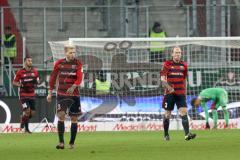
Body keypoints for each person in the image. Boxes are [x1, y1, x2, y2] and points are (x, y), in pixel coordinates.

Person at [47, 44, 83, 149]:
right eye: (70, 52)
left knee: (74, 118)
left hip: (74, 95)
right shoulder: (59, 63)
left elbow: (79, 78)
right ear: (65, 53)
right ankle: (61, 142)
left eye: (74, 52)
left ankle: (71, 143)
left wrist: (74, 86)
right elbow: (53, 78)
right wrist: (49, 92)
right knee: (61, 115)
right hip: (62, 94)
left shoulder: (78, 63)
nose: (73, 54)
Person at [160, 46, 196, 141]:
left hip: (180, 93)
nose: (177, 54)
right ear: (172, 54)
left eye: (179, 53)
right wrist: (169, 88)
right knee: (167, 114)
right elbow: (163, 80)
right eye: (176, 52)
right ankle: (166, 135)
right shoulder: (167, 64)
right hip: (169, 94)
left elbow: (185, 79)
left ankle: (187, 134)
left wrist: (185, 92)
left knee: (184, 112)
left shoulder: (184, 65)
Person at [12, 56, 39, 133]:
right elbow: (14, 82)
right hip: (23, 94)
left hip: (32, 94)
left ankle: (23, 119)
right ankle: (26, 129)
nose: (30, 62)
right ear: (25, 62)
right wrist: (20, 85)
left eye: (31, 61)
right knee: (27, 111)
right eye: (28, 61)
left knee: (32, 113)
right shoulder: (20, 72)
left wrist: (36, 83)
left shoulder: (35, 72)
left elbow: (37, 81)